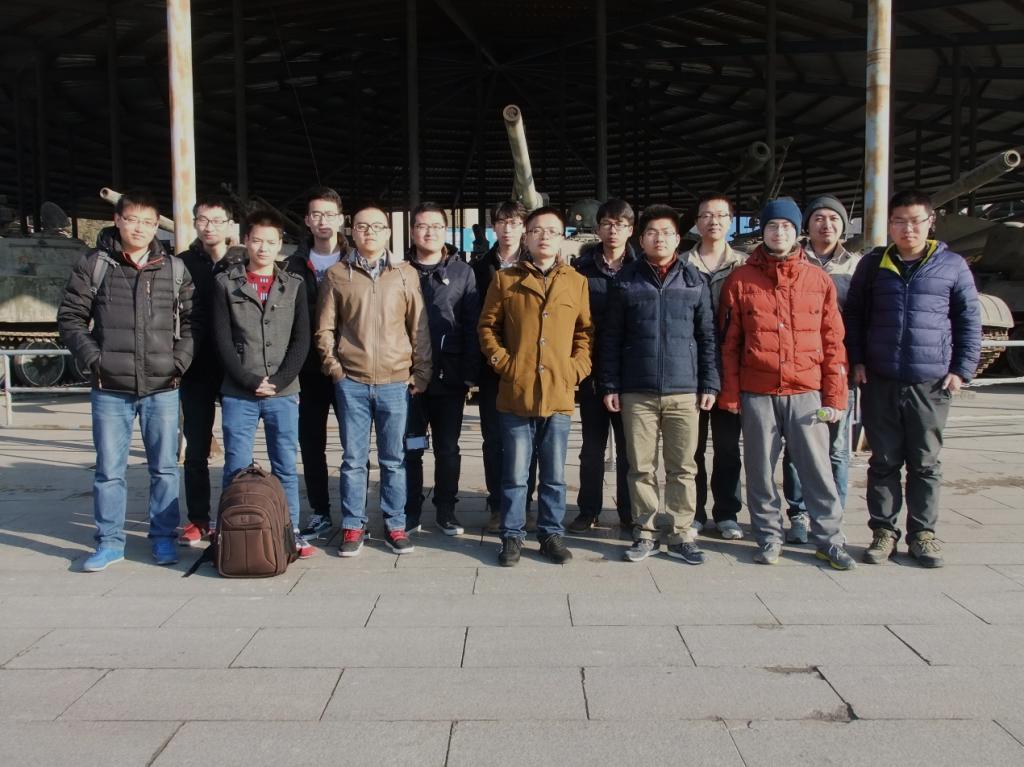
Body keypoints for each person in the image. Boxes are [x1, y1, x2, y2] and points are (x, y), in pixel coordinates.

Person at [58, 189, 195, 571]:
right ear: (117, 220)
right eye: (132, 219)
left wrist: (178, 362)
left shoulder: (173, 268)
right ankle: (109, 542)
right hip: (110, 388)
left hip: (162, 386)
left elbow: (192, 322)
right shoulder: (94, 265)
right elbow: (70, 318)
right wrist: (95, 360)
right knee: (109, 470)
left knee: (165, 469)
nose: (140, 228)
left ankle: (163, 539)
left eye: (148, 222)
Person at [845, 189, 981, 568]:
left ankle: (922, 534)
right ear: (890, 225)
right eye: (900, 221)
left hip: (931, 382)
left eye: (916, 221)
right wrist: (857, 360)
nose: (908, 229)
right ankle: (883, 532)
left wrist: (961, 369)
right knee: (884, 460)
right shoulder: (873, 265)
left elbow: (968, 319)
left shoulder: (951, 265)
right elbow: (854, 315)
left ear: (930, 223)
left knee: (925, 462)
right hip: (880, 378)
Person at [718, 198, 856, 570]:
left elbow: (833, 342)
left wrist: (835, 396)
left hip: (806, 391)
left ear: (797, 232)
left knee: (817, 469)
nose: (779, 233)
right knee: (760, 470)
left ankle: (829, 539)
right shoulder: (740, 280)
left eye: (787, 227)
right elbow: (729, 343)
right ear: (762, 232)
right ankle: (768, 536)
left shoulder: (818, 280)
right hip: (758, 390)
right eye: (772, 226)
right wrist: (730, 393)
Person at [602, 204, 719, 565]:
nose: (660, 239)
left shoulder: (694, 280)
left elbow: (707, 337)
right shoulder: (626, 281)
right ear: (641, 239)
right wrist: (610, 384)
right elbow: (611, 337)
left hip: (684, 390)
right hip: (637, 390)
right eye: (652, 233)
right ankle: (646, 531)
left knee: (683, 467)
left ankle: (682, 533)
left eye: (667, 233)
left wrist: (710, 384)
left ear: (678, 239)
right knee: (640, 466)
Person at [478, 205, 593, 566]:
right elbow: (487, 328)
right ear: (526, 237)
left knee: (555, 474)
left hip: (558, 392)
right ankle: (512, 535)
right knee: (515, 473)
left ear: (562, 238)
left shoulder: (576, 281)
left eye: (552, 231)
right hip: (517, 391)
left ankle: (550, 534)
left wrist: (575, 369)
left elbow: (585, 333)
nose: (544, 237)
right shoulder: (505, 279)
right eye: (537, 230)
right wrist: (505, 364)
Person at [316, 204, 432, 557]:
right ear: (352, 231)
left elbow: (419, 327)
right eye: (363, 226)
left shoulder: (404, 274)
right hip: (351, 380)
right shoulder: (338, 274)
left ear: (388, 232)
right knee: (353, 459)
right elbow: (325, 328)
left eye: (377, 226)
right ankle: (353, 525)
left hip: (395, 381)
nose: (370, 232)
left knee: (394, 459)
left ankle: (395, 524)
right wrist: (335, 369)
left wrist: (421, 372)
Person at [213, 210, 314, 559]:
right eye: (257, 240)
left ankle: (290, 530)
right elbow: (222, 340)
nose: (263, 248)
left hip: (283, 392)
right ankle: (230, 531)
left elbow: (302, 339)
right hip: (239, 390)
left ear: (280, 244)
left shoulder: (293, 285)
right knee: (237, 465)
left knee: (285, 464)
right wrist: (249, 379)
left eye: (271, 242)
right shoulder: (226, 283)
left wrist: (280, 380)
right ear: (246, 240)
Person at [782, 195, 861, 543]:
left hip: (839, 369)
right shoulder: (792, 259)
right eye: (818, 218)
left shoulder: (856, 267)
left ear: (843, 225)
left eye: (833, 218)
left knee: (837, 449)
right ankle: (799, 513)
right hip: (800, 371)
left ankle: (832, 515)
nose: (826, 225)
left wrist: (858, 362)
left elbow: (861, 320)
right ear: (807, 225)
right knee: (797, 448)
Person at [404, 202, 480, 535]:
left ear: (445, 231)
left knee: (447, 449)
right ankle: (410, 509)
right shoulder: (399, 270)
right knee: (410, 448)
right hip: (407, 377)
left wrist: (469, 373)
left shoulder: (463, 272)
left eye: (436, 226)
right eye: (422, 225)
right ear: (412, 231)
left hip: (449, 377)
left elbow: (472, 324)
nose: (429, 232)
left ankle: (446, 509)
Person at [567, 198, 636, 535]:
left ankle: (628, 511)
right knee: (591, 448)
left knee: (629, 449)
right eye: (607, 223)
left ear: (631, 230)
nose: (613, 230)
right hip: (592, 370)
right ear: (597, 228)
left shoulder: (640, 268)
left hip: (631, 370)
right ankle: (588, 509)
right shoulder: (581, 269)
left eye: (620, 224)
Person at [470, 200, 538, 534]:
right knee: (494, 438)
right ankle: (497, 504)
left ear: (524, 227)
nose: (507, 228)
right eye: (501, 222)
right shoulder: (478, 267)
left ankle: (524, 505)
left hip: (529, 366)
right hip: (492, 367)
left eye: (514, 222)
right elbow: (473, 318)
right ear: (493, 227)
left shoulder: (536, 263)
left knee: (528, 439)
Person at [681, 193, 746, 541]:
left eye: (721, 215)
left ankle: (727, 513)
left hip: (732, 369)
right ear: (697, 222)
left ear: (731, 222)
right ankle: (693, 512)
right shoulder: (681, 264)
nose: (713, 221)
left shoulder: (744, 265)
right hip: (689, 369)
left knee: (727, 447)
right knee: (690, 449)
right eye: (706, 215)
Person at [285, 187, 348, 540]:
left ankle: (355, 514)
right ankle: (320, 511)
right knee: (311, 443)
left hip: (349, 367)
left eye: (330, 214)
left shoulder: (355, 260)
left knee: (354, 445)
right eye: (316, 215)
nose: (323, 221)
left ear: (341, 219)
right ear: (308, 221)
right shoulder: (292, 265)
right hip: (307, 369)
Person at [177, 193, 239, 546]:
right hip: (195, 367)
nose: (209, 227)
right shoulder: (181, 264)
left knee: (237, 448)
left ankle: (234, 515)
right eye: (203, 220)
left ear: (229, 225)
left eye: (217, 221)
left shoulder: (243, 262)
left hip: (235, 368)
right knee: (196, 449)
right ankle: (198, 518)